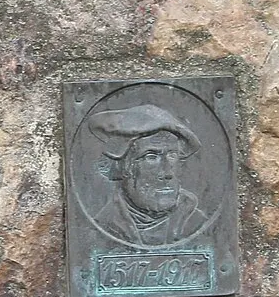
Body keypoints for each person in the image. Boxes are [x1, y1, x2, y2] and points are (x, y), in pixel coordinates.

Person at [85, 101, 216, 247]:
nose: (167, 173)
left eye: (172, 156)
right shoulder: (99, 227)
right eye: (151, 157)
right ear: (122, 167)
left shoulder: (197, 223)